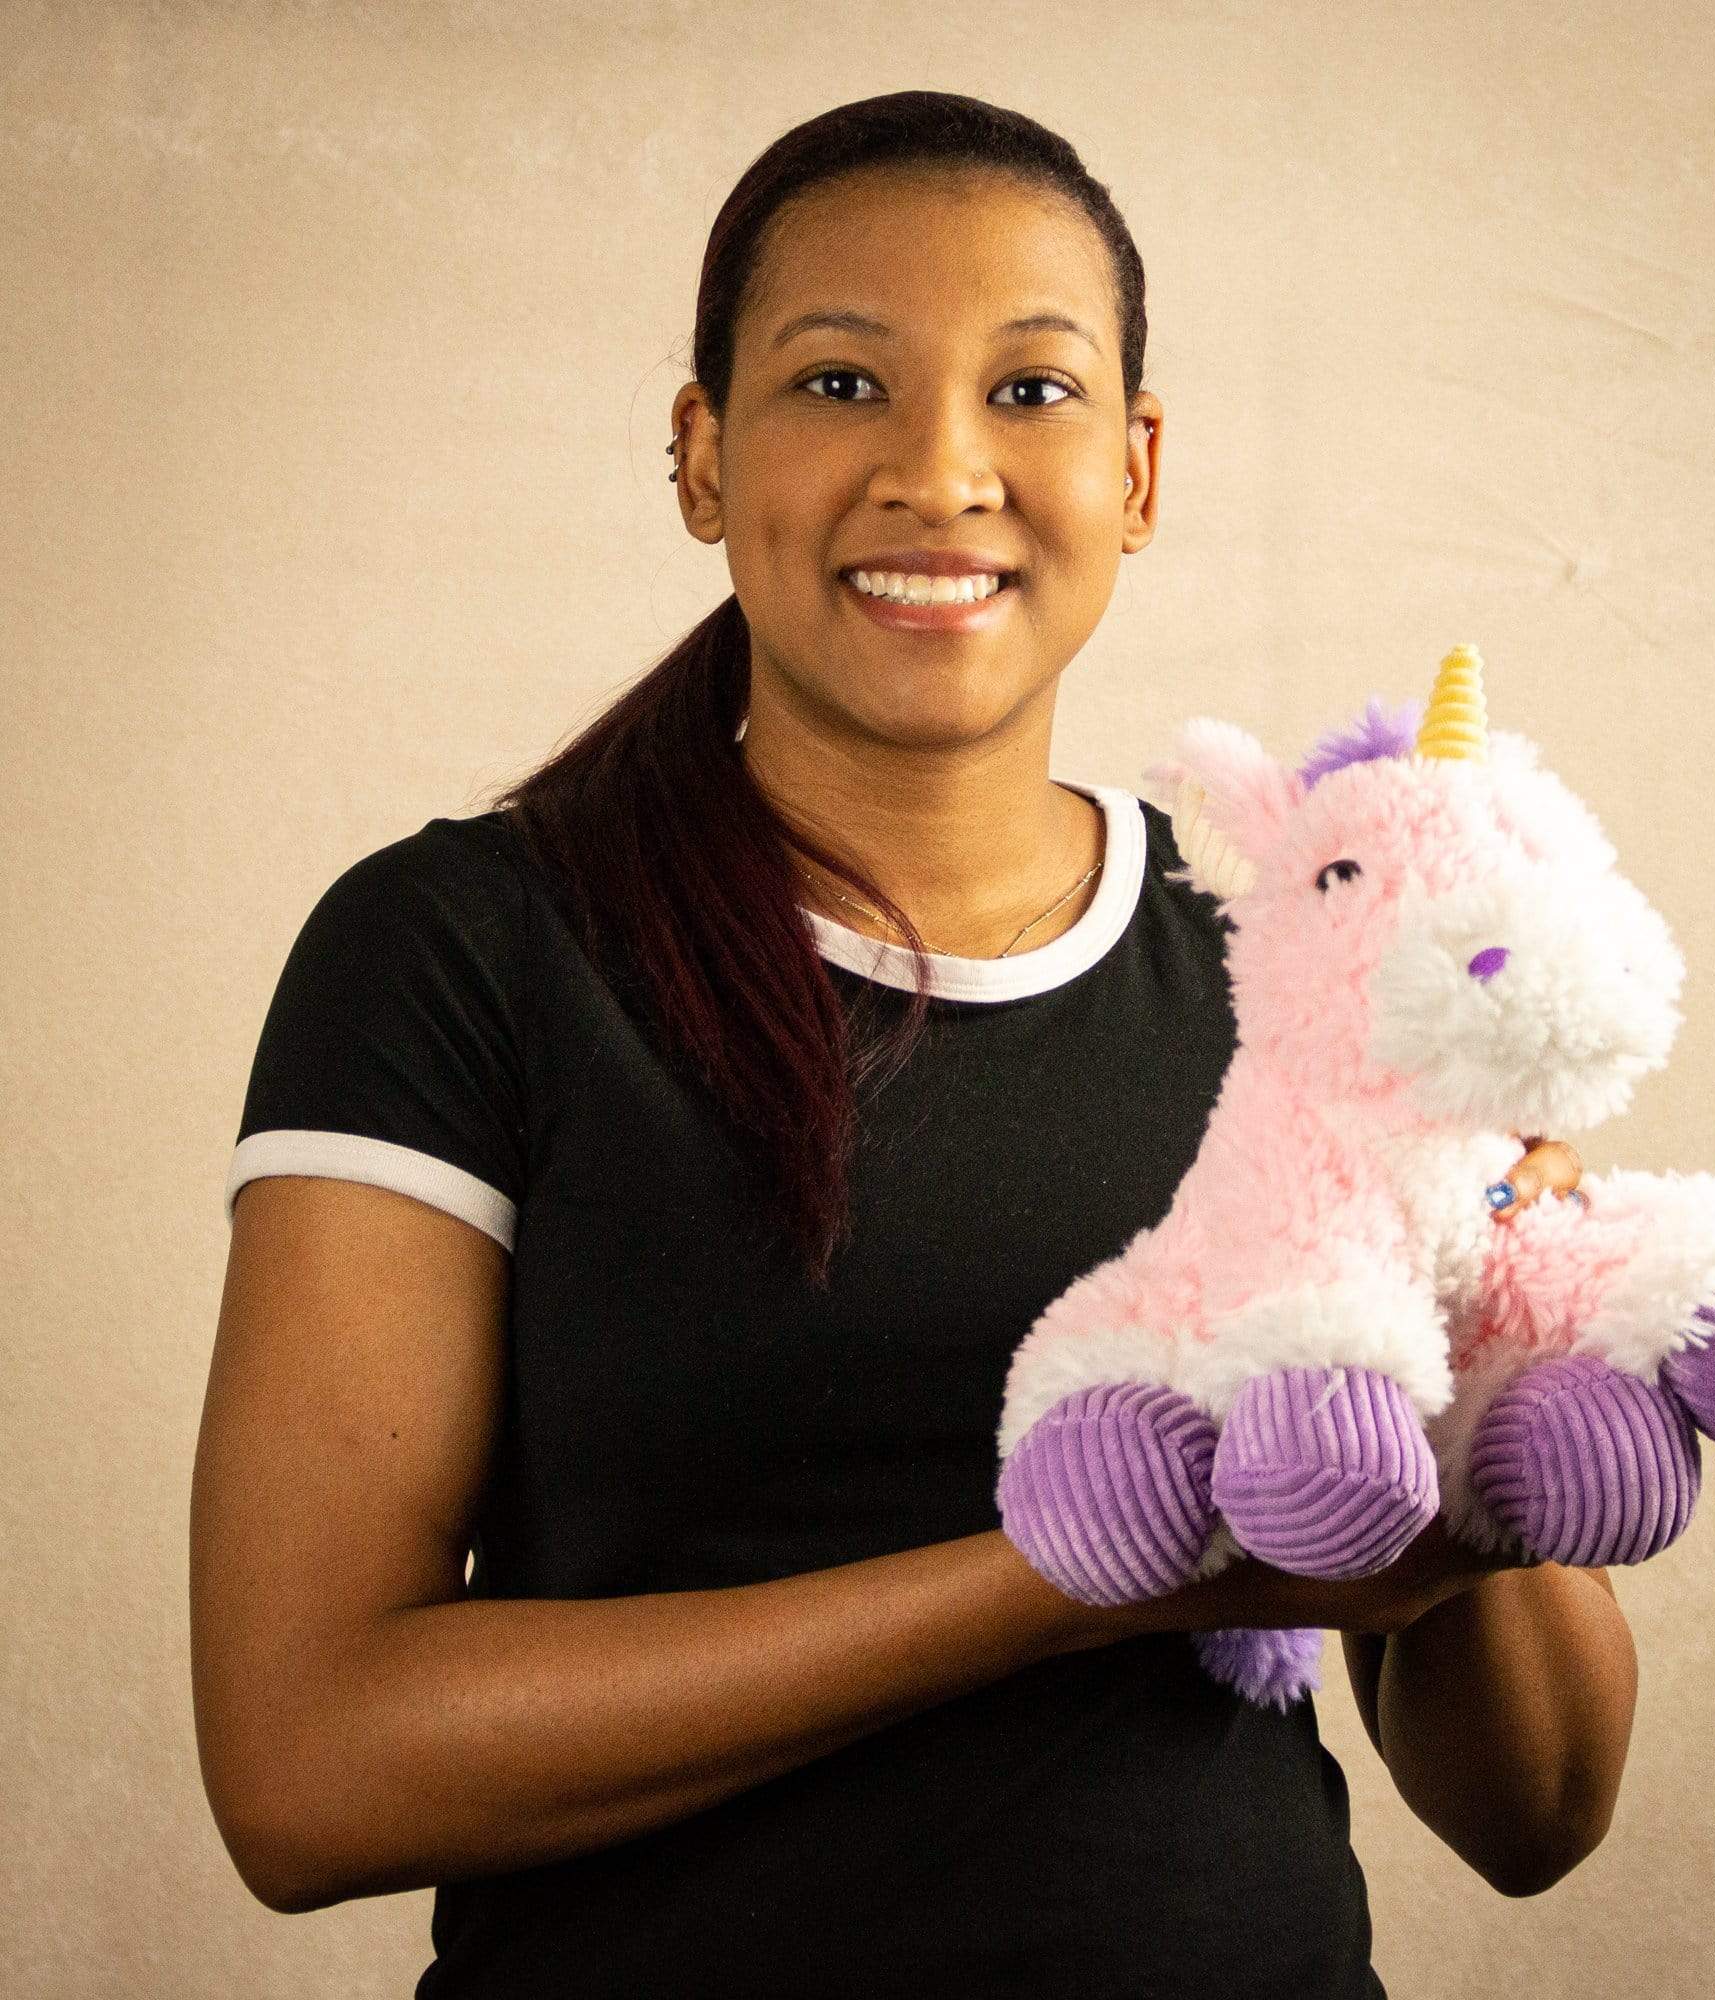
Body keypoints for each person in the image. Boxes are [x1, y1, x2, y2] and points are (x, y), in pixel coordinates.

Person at [190, 90, 1638, 1999]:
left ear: (1136, 469)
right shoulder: (465, 947)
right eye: (840, 384)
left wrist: (1488, 1383)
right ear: (702, 455)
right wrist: (1081, 1580)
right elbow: (305, 1770)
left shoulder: (1302, 969)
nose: (943, 472)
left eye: (1030, 394)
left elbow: (1538, 1816)